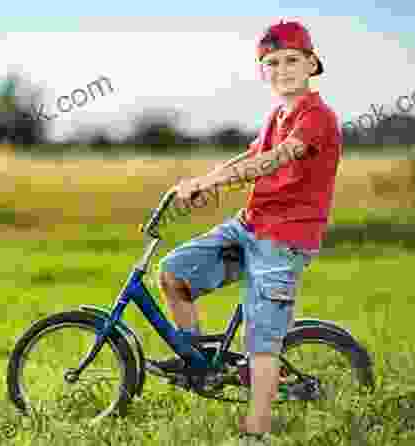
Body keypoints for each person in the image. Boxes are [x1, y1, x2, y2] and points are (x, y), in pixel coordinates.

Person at [145, 20, 342, 443]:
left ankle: (256, 433)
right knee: (174, 272)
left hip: (284, 240)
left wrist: (211, 184)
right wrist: (202, 179)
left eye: (292, 60)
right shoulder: (278, 115)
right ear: (262, 71)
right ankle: (197, 362)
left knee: (262, 344)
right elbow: (250, 155)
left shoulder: (317, 118)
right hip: (249, 225)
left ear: (312, 64)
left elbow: (275, 160)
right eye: (272, 63)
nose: (283, 69)